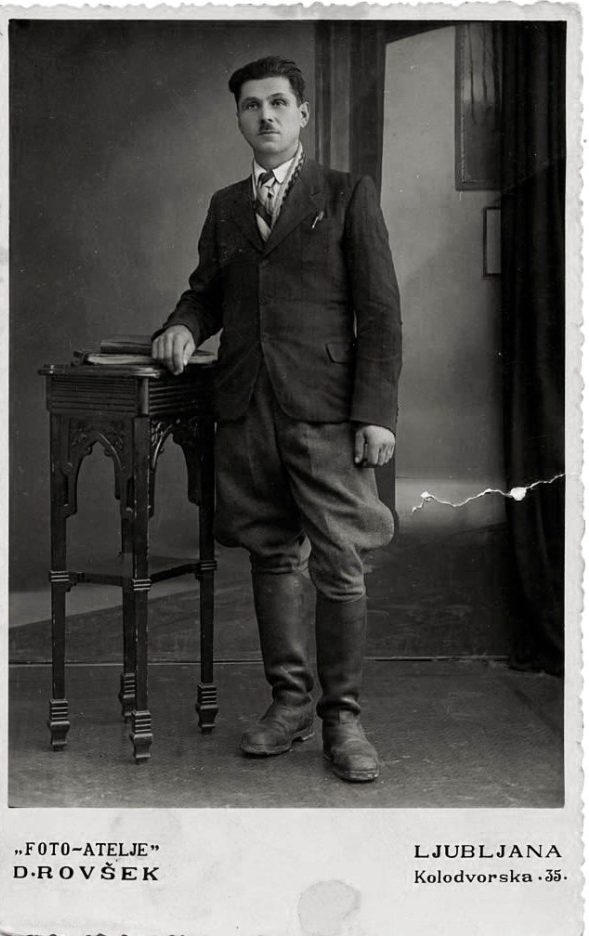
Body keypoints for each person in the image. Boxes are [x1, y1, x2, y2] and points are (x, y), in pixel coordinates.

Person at [152, 56, 402, 782]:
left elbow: (380, 313)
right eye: (251, 105)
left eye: (278, 103)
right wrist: (182, 327)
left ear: (302, 114)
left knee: (340, 560)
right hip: (247, 406)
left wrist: (376, 414)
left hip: (327, 410)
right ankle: (289, 705)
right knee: (270, 554)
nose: (265, 115)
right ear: (239, 118)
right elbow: (206, 292)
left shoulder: (346, 194)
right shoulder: (226, 204)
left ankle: (343, 719)